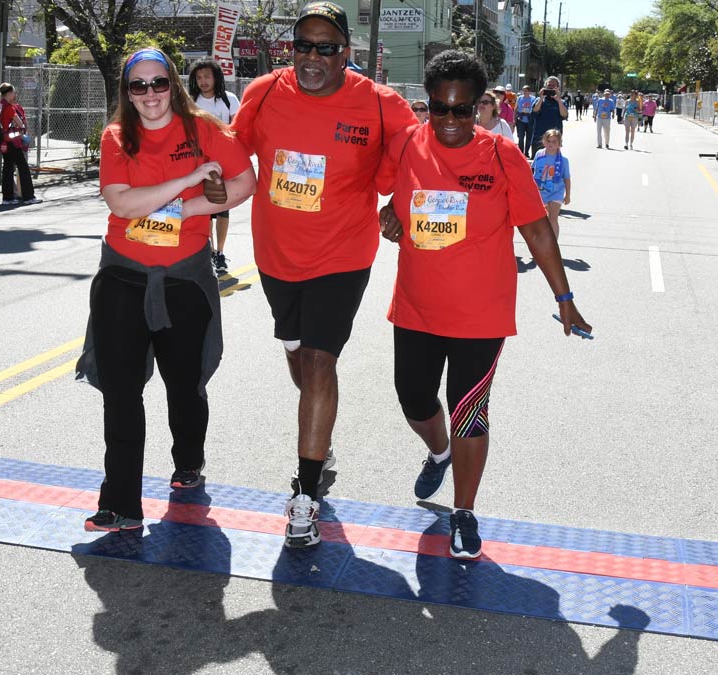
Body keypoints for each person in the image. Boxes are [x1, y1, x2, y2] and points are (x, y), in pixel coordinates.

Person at [376, 50, 591, 559]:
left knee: (469, 410)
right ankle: (439, 451)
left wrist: (564, 297)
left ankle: (464, 511)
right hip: (416, 307)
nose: (450, 121)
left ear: (480, 109)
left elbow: (536, 228)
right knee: (413, 398)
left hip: (481, 312)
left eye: (462, 110)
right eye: (439, 108)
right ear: (426, 105)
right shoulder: (407, 143)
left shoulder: (501, 154)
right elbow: (381, 193)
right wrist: (392, 215)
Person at [230, 1, 417, 548]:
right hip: (276, 255)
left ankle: (304, 494)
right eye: (303, 46)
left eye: (326, 48)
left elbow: (421, 157)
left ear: (346, 54)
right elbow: (229, 150)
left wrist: (401, 207)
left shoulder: (381, 105)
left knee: (319, 359)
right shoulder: (262, 92)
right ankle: (321, 434)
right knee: (295, 352)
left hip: (343, 255)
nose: (312, 58)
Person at [81, 47, 256, 532]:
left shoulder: (204, 129)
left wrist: (187, 209)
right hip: (122, 276)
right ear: (127, 92)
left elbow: (245, 183)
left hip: (184, 278)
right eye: (139, 86)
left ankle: (188, 461)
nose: (151, 94)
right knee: (119, 391)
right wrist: (189, 180)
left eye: (159, 83)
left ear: (173, 85)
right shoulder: (116, 137)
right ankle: (120, 503)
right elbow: (121, 201)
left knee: (184, 385)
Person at [188, 58, 242, 274]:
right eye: (199, 77)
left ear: (216, 77)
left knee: (222, 209)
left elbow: (236, 130)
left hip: (223, 164)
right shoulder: (191, 101)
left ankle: (220, 252)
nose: (203, 81)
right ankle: (208, 251)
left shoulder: (229, 100)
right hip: (198, 164)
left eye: (207, 76)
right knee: (204, 210)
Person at [0, 83, 40, 205]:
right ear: (8, 94)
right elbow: (20, 124)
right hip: (13, 141)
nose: (15, 95)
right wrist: (21, 125)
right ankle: (28, 196)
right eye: (13, 92)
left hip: (3, 141)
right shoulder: (9, 108)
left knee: (8, 169)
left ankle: (7, 198)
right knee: (23, 168)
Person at [531, 130, 571, 241]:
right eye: (548, 141)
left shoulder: (563, 161)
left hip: (556, 193)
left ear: (559, 144)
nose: (551, 144)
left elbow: (567, 179)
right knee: (543, 220)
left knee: (553, 218)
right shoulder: (539, 154)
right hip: (541, 191)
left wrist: (567, 195)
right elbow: (533, 172)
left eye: (554, 141)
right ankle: (543, 243)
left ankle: (553, 245)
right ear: (544, 141)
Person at [529, 77, 567, 157]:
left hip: (554, 140)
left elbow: (564, 115)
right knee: (537, 165)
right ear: (545, 86)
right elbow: (534, 111)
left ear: (558, 87)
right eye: (549, 85)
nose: (551, 87)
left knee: (553, 164)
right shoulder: (538, 100)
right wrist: (541, 98)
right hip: (539, 138)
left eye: (554, 85)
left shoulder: (561, 102)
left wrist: (559, 100)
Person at [515, 85, 536, 157]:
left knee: (529, 137)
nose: (524, 92)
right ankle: (520, 152)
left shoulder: (533, 99)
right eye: (523, 91)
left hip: (530, 120)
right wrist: (514, 118)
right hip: (521, 120)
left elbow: (534, 109)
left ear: (529, 92)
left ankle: (526, 152)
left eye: (526, 91)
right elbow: (516, 108)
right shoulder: (519, 98)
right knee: (520, 137)